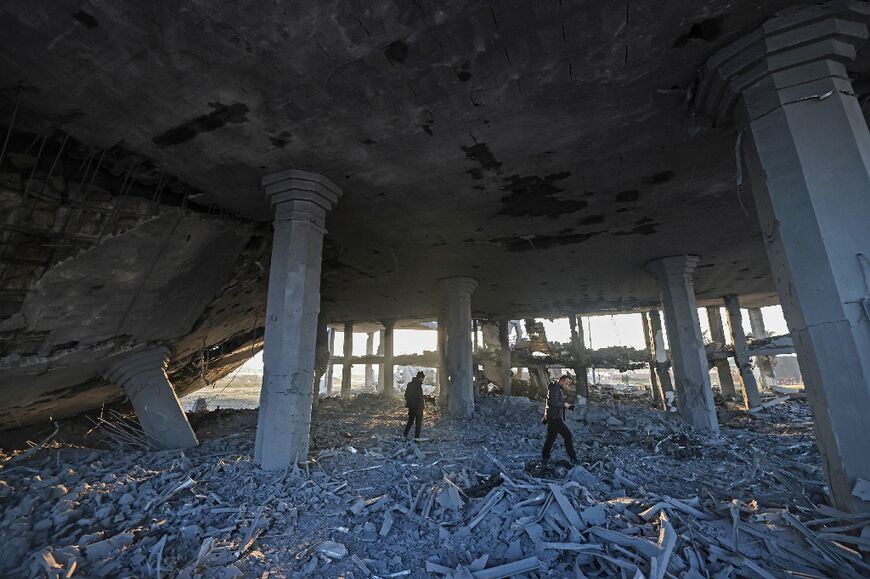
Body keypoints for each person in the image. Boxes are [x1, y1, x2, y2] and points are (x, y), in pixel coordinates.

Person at [541, 375, 578, 465]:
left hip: (553, 417)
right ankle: (573, 459)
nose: (567, 385)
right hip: (555, 418)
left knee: (551, 438)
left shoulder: (554, 387)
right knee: (567, 435)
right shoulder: (555, 388)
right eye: (567, 382)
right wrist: (566, 406)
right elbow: (554, 402)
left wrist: (546, 416)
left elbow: (549, 402)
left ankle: (545, 458)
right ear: (562, 381)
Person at [403, 370, 425, 439]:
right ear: (420, 377)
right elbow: (419, 396)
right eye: (423, 378)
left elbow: (406, 395)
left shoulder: (410, 384)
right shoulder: (418, 385)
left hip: (411, 407)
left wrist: (409, 403)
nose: (423, 380)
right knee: (418, 424)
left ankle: (405, 435)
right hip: (418, 407)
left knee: (410, 421)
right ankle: (417, 438)